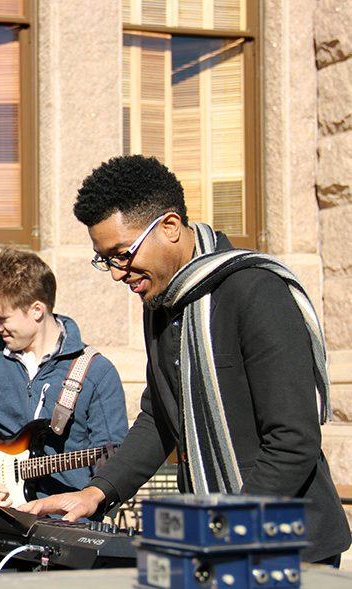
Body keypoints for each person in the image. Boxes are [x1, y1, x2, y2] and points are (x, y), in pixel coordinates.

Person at [18, 154, 351, 564]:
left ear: (170, 227)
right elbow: (161, 415)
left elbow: (292, 442)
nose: (117, 273)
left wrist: (223, 531)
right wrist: (96, 492)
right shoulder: (162, 303)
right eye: (105, 259)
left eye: (122, 254)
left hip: (290, 549)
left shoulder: (255, 292)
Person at [0, 247, 128, 507]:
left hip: (65, 524)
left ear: (37, 309)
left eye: (2, 318)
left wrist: (91, 499)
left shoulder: (97, 373)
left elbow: (115, 465)